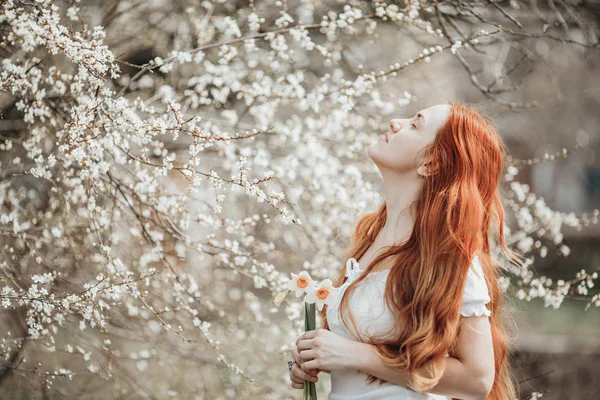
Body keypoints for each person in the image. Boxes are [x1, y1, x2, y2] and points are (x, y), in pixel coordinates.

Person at [288, 101, 521, 399]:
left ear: (431, 163)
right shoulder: (369, 237)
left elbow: (476, 380)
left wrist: (355, 355)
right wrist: (310, 358)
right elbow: (350, 355)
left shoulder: (448, 257)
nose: (395, 122)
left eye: (415, 124)